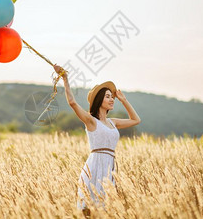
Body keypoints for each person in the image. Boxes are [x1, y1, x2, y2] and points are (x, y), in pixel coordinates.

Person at [53, 64, 141, 216]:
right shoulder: (91, 121)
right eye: (107, 96)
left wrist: (124, 100)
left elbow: (136, 120)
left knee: (106, 212)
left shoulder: (113, 122)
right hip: (94, 168)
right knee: (89, 210)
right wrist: (65, 79)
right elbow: (73, 103)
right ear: (99, 100)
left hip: (109, 169)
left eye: (112, 96)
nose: (112, 99)